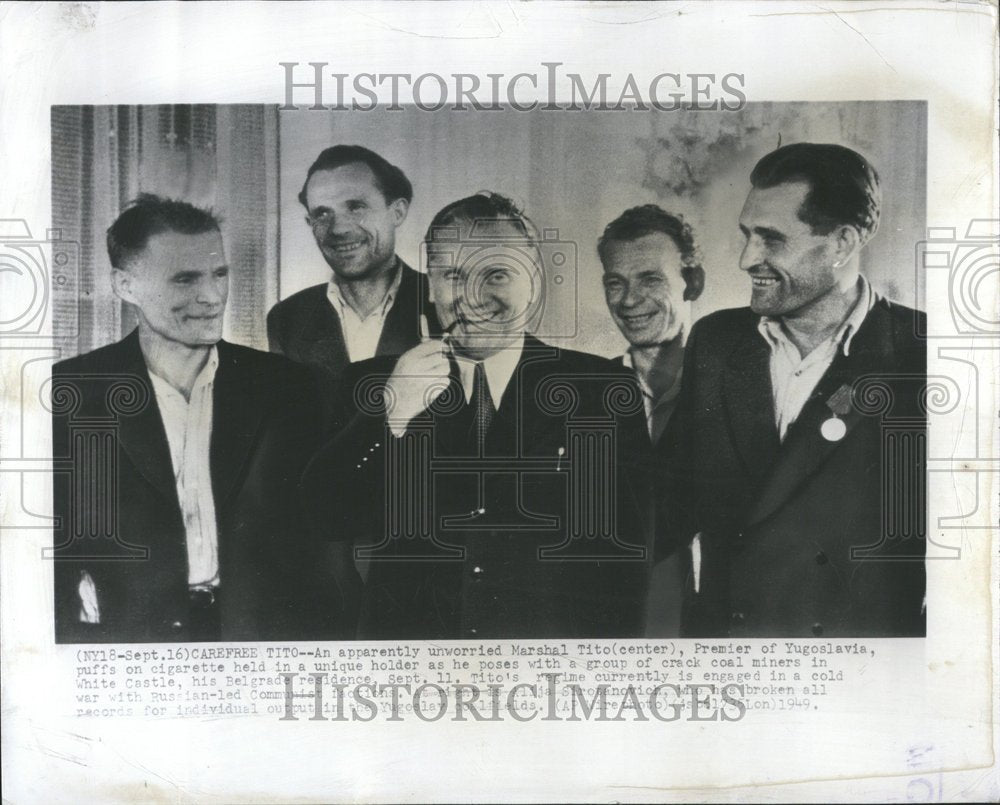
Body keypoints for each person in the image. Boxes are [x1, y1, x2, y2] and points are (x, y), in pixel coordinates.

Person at [302, 192, 651, 639]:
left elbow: (626, 565)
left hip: (540, 671)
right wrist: (390, 416)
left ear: (534, 282)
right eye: (453, 274)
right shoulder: (370, 383)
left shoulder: (601, 388)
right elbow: (326, 516)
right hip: (412, 668)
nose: (471, 296)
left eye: (497, 273)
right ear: (430, 285)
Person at [661, 142, 926, 638]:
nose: (746, 259)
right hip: (728, 661)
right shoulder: (718, 342)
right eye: (746, 235)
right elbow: (669, 501)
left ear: (843, 244)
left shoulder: (924, 356)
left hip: (855, 677)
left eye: (771, 239)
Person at [52, 195, 345, 642]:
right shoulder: (67, 392)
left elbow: (325, 542)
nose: (211, 297)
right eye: (185, 279)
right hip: (128, 647)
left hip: (261, 644)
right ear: (125, 285)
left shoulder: (291, 387)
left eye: (219, 274)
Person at [598, 205, 705, 637]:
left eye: (650, 279)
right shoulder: (586, 395)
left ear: (693, 282)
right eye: (615, 283)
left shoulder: (736, 388)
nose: (628, 300)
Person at [266, 145, 439, 378]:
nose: (339, 229)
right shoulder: (287, 319)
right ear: (310, 223)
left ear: (397, 213)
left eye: (356, 207)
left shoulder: (443, 302)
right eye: (322, 214)